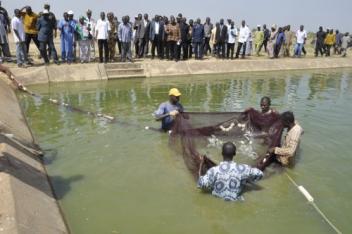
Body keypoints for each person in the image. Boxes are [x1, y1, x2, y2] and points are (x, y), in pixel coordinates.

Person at [198, 142, 263, 201]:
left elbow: (201, 184)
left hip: (218, 202)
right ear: (234, 154)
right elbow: (260, 174)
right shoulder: (243, 169)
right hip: (237, 203)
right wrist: (246, 179)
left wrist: (201, 164)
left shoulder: (213, 171)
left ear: (222, 153)